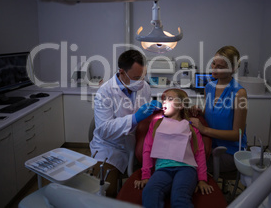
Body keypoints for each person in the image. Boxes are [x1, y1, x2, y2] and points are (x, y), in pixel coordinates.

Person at [90, 49, 161, 197]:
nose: (141, 81)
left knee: (155, 183)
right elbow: (104, 129)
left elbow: (145, 117)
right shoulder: (104, 93)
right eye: (136, 77)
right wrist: (134, 118)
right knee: (105, 191)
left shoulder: (144, 87)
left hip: (137, 143)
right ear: (122, 72)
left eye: (143, 76)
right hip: (110, 147)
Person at [134, 89, 213, 208]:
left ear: (181, 105)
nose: (165, 102)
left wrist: (202, 179)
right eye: (164, 99)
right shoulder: (156, 124)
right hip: (162, 169)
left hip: (186, 169)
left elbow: (199, 152)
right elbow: (147, 149)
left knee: (179, 197)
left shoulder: (190, 126)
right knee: (150, 193)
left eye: (170, 99)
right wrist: (146, 176)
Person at [190, 45, 248, 174]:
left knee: (189, 165)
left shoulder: (239, 93)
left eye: (220, 67)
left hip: (228, 151)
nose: (214, 69)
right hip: (209, 144)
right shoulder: (209, 87)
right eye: (213, 64)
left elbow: (236, 135)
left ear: (232, 69)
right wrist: (199, 112)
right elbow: (209, 115)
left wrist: (204, 129)